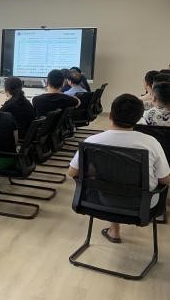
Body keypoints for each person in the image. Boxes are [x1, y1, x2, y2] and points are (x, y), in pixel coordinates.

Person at [68, 94, 170, 243]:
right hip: (143, 205)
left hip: (102, 201)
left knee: (113, 179)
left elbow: (72, 172)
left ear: (110, 115)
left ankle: (114, 230)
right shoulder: (151, 143)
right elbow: (165, 179)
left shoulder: (92, 141)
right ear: (139, 118)